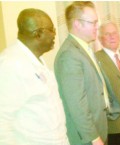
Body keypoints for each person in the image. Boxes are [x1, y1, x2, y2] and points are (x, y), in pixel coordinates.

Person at [0, 8, 69, 145]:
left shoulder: (37, 60)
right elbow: (2, 124)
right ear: (38, 34)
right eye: (51, 29)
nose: (54, 34)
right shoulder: (10, 64)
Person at [54, 2, 113, 145]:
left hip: (97, 126)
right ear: (77, 24)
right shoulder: (69, 54)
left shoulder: (83, 48)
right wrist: (93, 137)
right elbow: (77, 104)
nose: (97, 26)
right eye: (93, 22)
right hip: (86, 137)